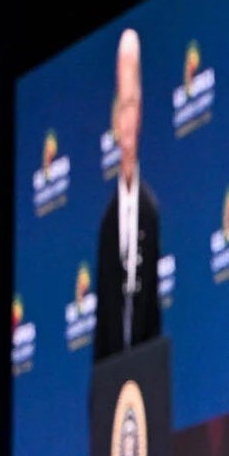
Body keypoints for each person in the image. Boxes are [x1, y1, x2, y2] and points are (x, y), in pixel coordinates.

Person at [94, 27, 163, 358]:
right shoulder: (108, 224)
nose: (128, 119)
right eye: (122, 107)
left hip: (147, 379)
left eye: (133, 105)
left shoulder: (151, 211)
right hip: (111, 378)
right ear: (114, 120)